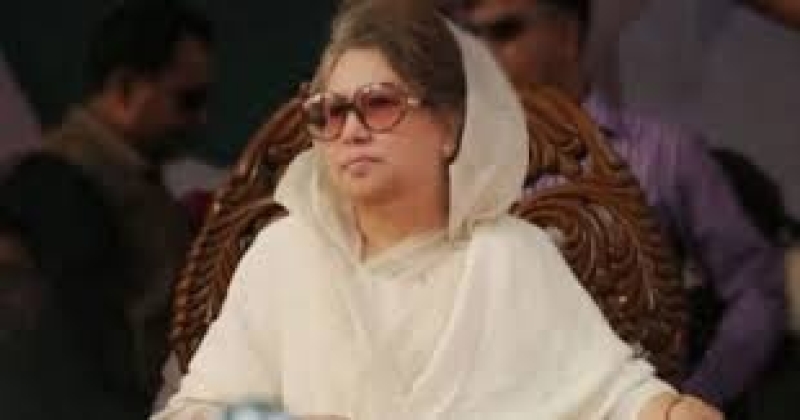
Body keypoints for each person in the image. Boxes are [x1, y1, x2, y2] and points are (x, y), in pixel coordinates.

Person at [154, 2, 721, 419]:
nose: (350, 131)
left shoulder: (508, 255)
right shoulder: (285, 256)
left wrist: (672, 411)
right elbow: (195, 411)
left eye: (378, 104)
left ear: (449, 128)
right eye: (330, 112)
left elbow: (615, 396)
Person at [455, 0, 785, 411]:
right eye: (472, 37)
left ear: (566, 36)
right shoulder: (459, 172)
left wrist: (692, 397)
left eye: (505, 32)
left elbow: (756, 290)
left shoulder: (665, 154)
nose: (482, 55)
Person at [0, 0, 212, 416]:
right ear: (125, 87)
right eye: (187, 100)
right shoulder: (55, 183)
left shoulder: (129, 179)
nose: (201, 119)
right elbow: (69, 357)